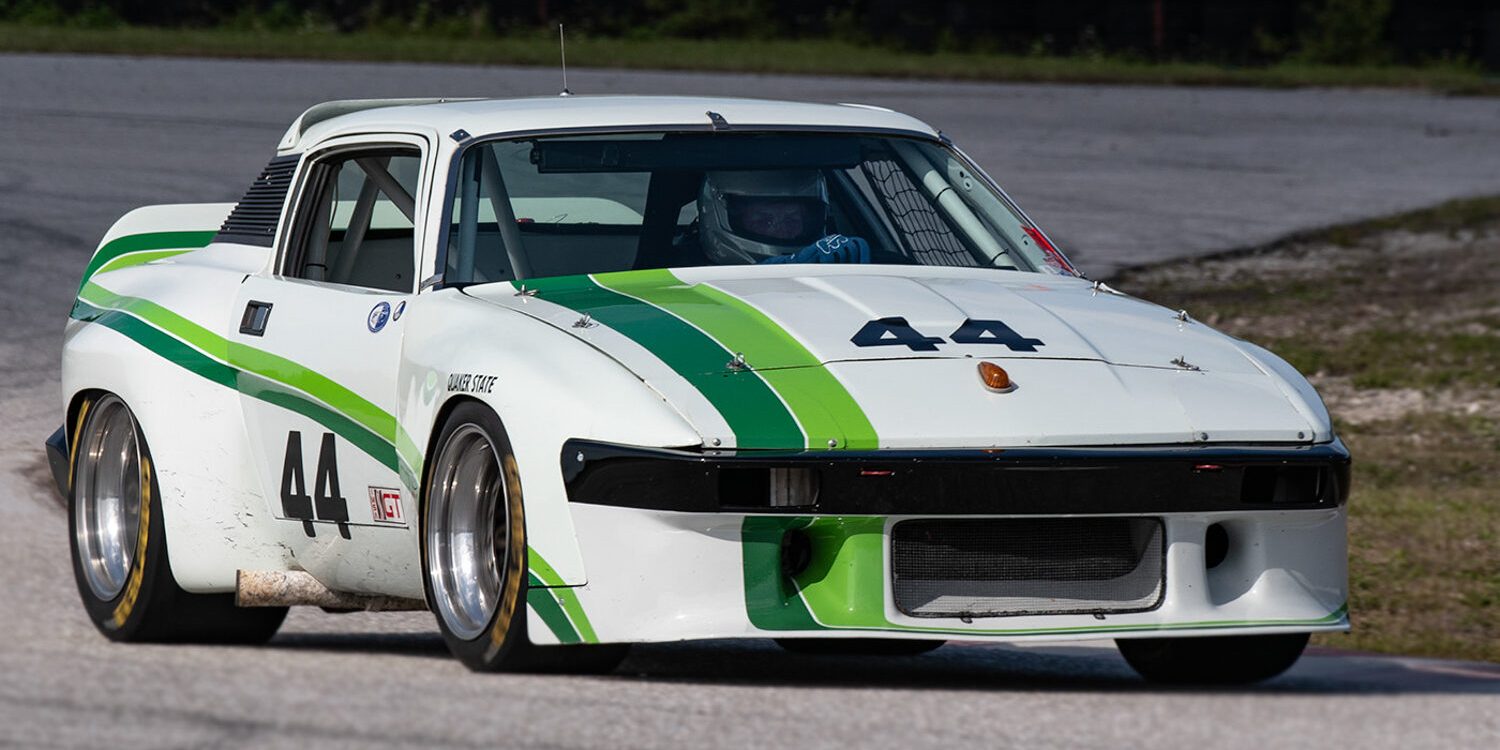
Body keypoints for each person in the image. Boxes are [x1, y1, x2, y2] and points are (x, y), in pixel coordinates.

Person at [696, 170, 870, 265]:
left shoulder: (833, 263)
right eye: (764, 220)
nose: (781, 231)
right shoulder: (684, 280)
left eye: (792, 220)